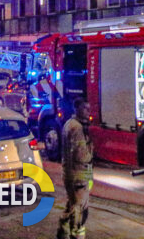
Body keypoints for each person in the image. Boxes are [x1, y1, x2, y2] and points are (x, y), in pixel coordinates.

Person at [58, 97, 93, 239]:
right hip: (79, 174)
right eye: (85, 108)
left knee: (72, 205)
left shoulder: (68, 124)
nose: (88, 112)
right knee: (80, 210)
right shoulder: (77, 128)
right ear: (77, 109)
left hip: (70, 173)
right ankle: (75, 235)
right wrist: (90, 150)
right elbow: (81, 155)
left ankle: (63, 231)